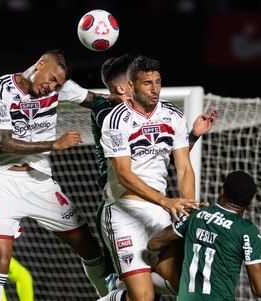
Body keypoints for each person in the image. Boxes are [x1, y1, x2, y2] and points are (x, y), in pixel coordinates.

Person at [0, 49, 109, 300]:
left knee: (90, 248)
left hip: (40, 182)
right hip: (3, 180)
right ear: (40, 64)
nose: (52, 87)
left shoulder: (60, 88)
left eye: (58, 84)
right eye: (51, 79)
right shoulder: (0, 90)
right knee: (0, 260)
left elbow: (96, 100)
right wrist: (54, 144)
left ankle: (108, 296)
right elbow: (4, 144)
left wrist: (127, 98)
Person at [91, 54, 218, 287]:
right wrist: (166, 201)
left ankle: (121, 288)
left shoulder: (173, 114)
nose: (155, 89)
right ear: (131, 86)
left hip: (159, 210)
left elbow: (183, 168)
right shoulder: (116, 120)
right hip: (123, 211)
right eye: (147, 83)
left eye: (158, 82)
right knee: (144, 296)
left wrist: (187, 208)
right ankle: (118, 290)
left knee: (184, 284)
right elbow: (124, 175)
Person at [148, 170, 261, 300]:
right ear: (250, 202)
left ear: (221, 191)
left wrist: (185, 227)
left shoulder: (196, 215)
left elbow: (153, 244)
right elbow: (258, 288)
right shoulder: (246, 230)